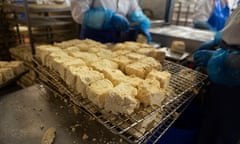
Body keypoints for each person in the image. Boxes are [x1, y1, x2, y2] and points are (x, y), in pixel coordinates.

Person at [193, 7, 240, 144]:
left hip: (236, 85)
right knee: (208, 125)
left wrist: (228, 61)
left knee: (225, 132)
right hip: (221, 84)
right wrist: (221, 38)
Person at [70, 0, 152, 44]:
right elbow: (79, 13)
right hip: (93, 37)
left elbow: (134, 10)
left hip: (117, 38)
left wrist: (142, 22)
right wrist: (108, 18)